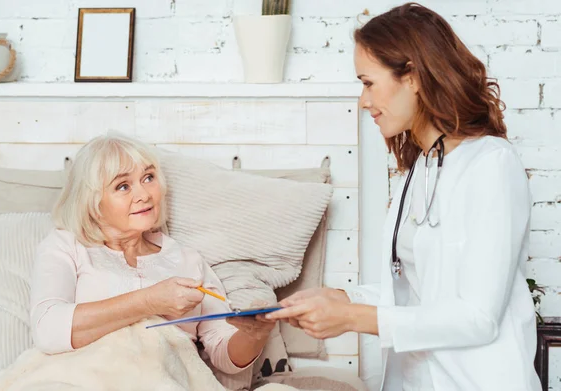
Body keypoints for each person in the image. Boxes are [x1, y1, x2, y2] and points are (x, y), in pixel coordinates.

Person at [267, 3, 541, 391]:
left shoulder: (491, 165)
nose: (363, 102)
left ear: (412, 76)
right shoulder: (421, 168)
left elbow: (478, 316)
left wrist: (352, 318)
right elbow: (419, 293)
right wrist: (341, 297)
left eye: (368, 82)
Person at [30, 133, 275, 376]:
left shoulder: (187, 260)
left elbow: (224, 355)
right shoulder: (67, 245)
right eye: (123, 186)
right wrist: (149, 301)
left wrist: (253, 335)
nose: (144, 195)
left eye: (148, 178)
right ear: (93, 203)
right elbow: (48, 329)